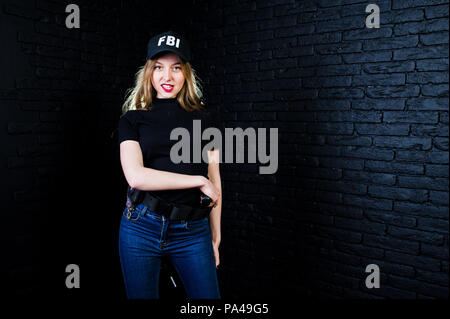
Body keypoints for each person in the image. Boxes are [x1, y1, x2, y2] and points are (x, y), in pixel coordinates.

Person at [117, 30, 222, 299]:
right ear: (149, 73)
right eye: (159, 68)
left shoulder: (205, 121)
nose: (167, 77)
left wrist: (215, 236)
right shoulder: (132, 120)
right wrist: (197, 181)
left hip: (192, 231)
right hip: (141, 226)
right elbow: (136, 177)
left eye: (176, 68)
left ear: (185, 73)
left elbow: (215, 181)